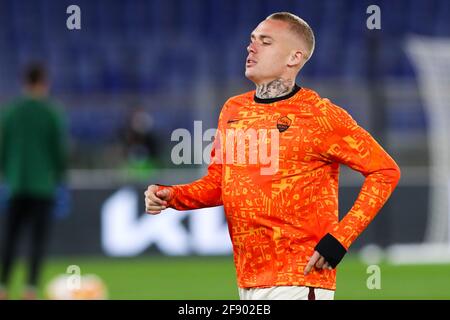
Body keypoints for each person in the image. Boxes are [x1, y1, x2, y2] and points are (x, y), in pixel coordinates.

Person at [144, 12, 401, 300]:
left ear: (294, 58)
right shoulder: (234, 109)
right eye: (252, 40)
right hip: (249, 278)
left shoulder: (320, 116)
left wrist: (340, 240)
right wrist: (173, 196)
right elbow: (221, 183)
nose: (251, 47)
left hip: (299, 277)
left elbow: (385, 172)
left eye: (265, 42)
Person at [0, 63, 68, 299]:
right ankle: (30, 288)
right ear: (43, 82)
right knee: (37, 240)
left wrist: (6, 175)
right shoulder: (50, 113)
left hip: (16, 185)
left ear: (24, 82)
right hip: (43, 187)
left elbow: (3, 148)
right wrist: (60, 178)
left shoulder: (10, 112)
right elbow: (58, 152)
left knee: (10, 237)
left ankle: (3, 287)